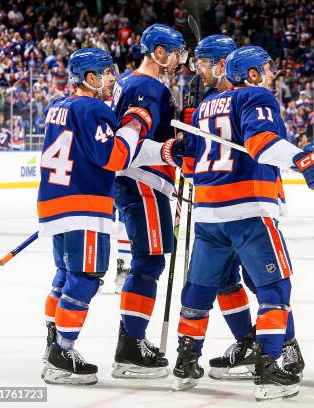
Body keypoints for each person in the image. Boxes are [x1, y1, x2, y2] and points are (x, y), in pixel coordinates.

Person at [171, 46, 314, 401]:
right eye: (266, 67)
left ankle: (185, 364)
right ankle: (268, 368)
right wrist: (301, 158)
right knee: (275, 287)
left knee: (200, 289)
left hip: (207, 212)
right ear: (251, 74)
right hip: (249, 209)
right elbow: (262, 143)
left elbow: (188, 164)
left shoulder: (203, 107)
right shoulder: (257, 95)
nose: (271, 73)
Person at [39, 48, 178, 385]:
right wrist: (135, 123)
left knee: (65, 275)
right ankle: (62, 353)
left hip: (55, 203)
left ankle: (53, 345)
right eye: (106, 73)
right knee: (85, 277)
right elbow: (115, 156)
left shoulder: (59, 106)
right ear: (90, 78)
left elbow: (105, 148)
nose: (112, 79)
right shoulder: (94, 108)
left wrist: (160, 149)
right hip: (84, 204)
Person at [189, 34, 306, 381]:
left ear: (226, 64)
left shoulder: (236, 99)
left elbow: (262, 143)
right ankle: (249, 342)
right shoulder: (214, 101)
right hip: (227, 206)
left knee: (261, 281)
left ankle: (286, 345)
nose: (200, 71)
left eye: (205, 63)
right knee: (229, 282)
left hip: (243, 205)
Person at [109, 23, 189, 379]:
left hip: (138, 182)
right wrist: (170, 150)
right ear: (158, 52)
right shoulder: (147, 86)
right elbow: (128, 145)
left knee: (148, 261)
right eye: (174, 52)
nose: (178, 59)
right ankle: (130, 346)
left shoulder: (128, 82)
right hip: (143, 182)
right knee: (149, 262)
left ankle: (131, 341)